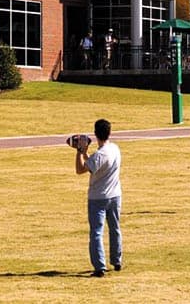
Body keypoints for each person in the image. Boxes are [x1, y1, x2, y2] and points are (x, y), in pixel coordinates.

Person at [75, 119, 123, 277]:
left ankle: (99, 266)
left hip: (98, 197)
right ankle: (116, 260)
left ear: (96, 134)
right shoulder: (114, 149)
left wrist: (79, 151)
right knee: (115, 229)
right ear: (109, 133)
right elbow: (94, 165)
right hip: (115, 195)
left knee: (96, 232)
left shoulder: (100, 154)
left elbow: (81, 169)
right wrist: (85, 153)